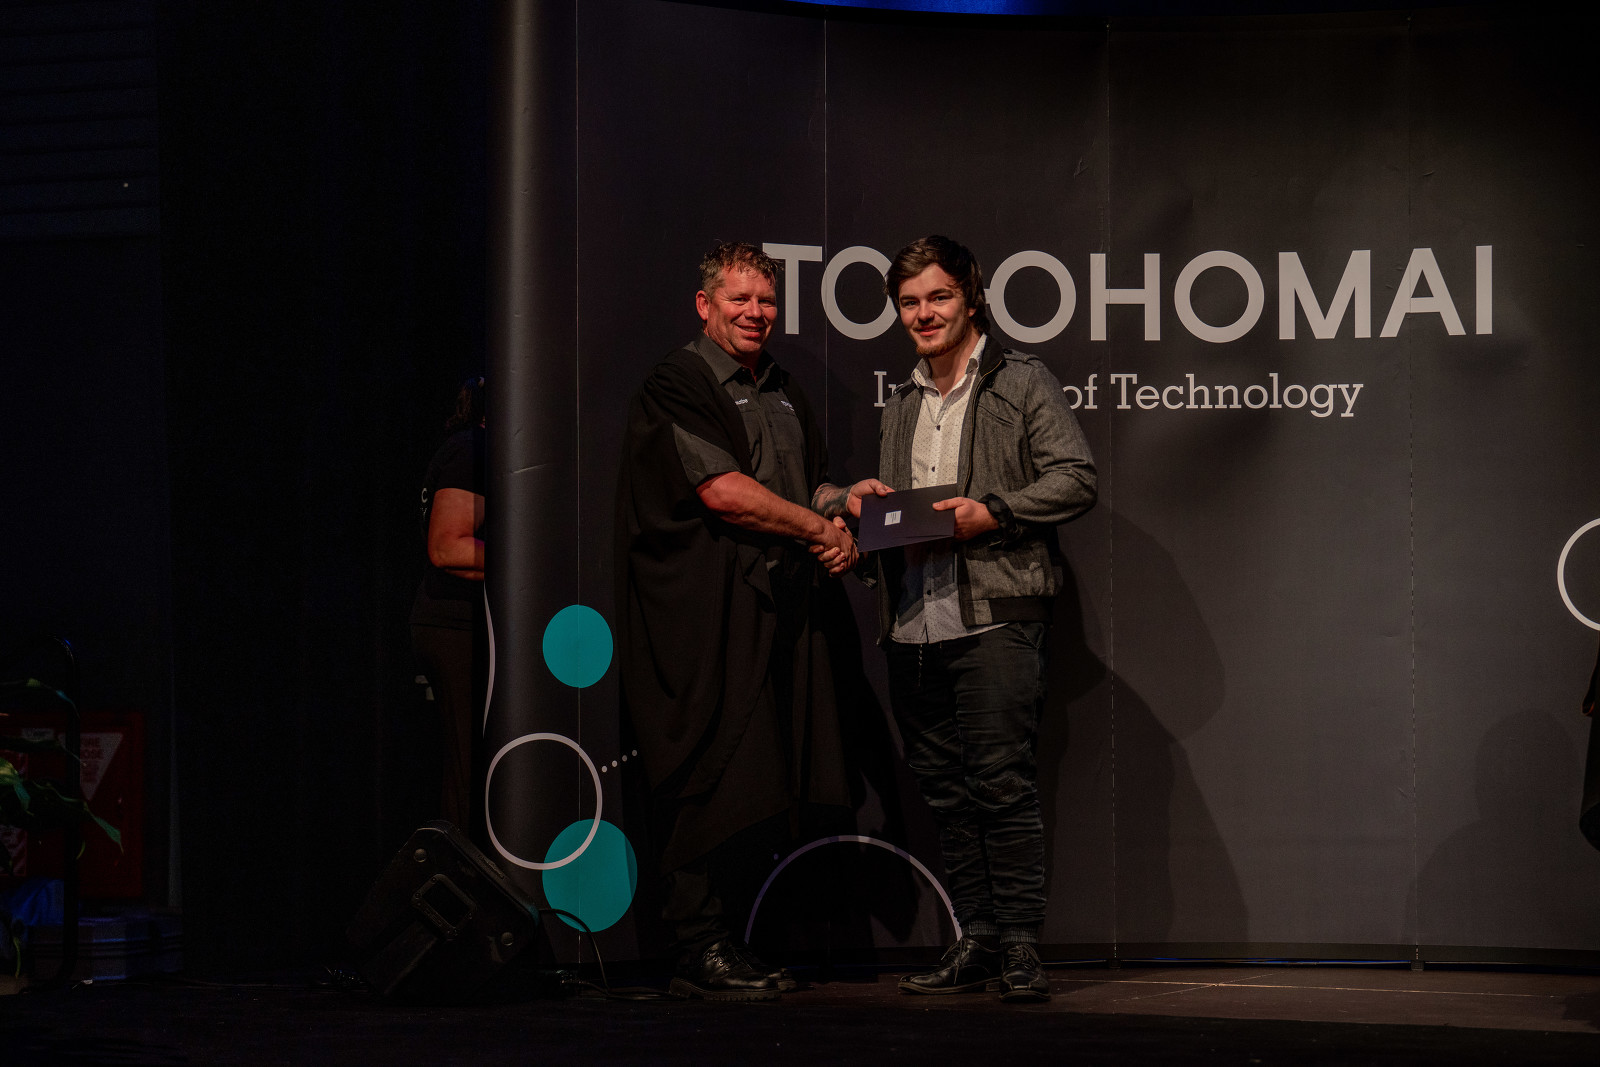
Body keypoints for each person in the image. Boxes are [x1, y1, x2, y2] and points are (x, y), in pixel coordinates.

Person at [840, 235, 1097, 1003]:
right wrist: (860, 517)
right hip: (914, 626)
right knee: (948, 795)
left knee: (1000, 785)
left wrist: (995, 512)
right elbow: (901, 516)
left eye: (938, 297)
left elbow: (1075, 476)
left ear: (971, 297)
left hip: (993, 620)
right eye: (909, 302)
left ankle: (1019, 946)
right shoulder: (902, 402)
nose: (924, 313)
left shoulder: (1020, 381)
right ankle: (977, 939)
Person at [614, 242, 860, 1001]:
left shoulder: (782, 387)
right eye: (739, 299)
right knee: (708, 768)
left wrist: (843, 504)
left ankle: (730, 940)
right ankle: (696, 943)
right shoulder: (678, 382)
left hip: (777, 613)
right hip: (703, 618)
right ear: (705, 305)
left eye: (766, 301)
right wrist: (816, 530)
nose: (755, 313)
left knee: (763, 778)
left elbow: (805, 483)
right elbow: (722, 491)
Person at [409, 376, 486, 842]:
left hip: (457, 623)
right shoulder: (471, 449)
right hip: (453, 626)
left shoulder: (469, 447)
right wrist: (532, 566)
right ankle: (462, 873)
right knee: (469, 766)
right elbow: (447, 547)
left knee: (468, 765)